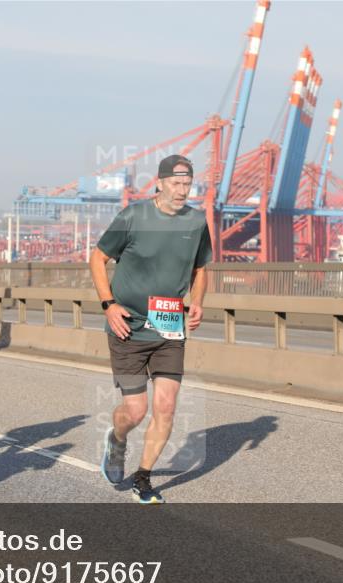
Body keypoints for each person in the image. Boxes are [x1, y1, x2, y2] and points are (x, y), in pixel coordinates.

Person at [89, 154, 211, 504]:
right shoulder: (134, 217)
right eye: (175, 183)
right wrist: (108, 305)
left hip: (169, 327)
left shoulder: (196, 222)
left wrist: (198, 299)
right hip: (127, 326)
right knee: (136, 411)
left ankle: (143, 477)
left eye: (187, 184)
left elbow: (201, 268)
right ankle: (117, 438)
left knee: (167, 405)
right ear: (158, 183)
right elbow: (98, 259)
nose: (182, 190)